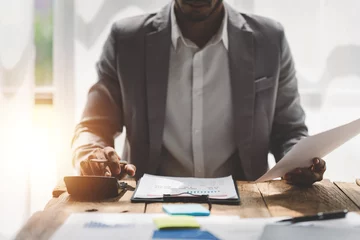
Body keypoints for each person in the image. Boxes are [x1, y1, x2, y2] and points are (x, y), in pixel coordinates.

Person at [72, 0, 326, 186]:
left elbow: (290, 132)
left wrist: (301, 162)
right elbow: (93, 128)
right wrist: (92, 154)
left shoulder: (269, 40)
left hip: (247, 205)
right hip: (146, 205)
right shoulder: (128, 41)